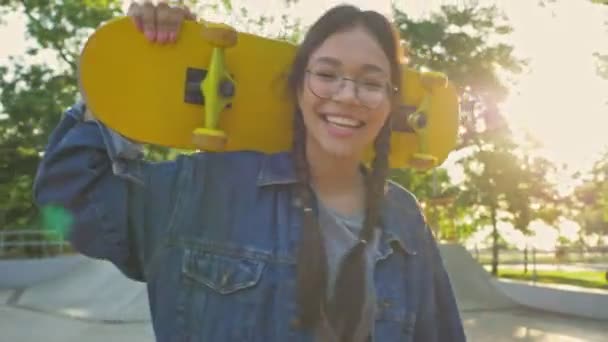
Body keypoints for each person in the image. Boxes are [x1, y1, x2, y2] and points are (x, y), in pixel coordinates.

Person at [33, 1, 466, 341]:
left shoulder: (404, 217)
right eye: (327, 74)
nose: (348, 95)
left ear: (390, 104)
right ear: (297, 88)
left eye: (371, 82)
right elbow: (70, 198)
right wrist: (127, 81)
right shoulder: (208, 187)